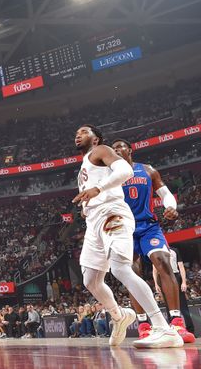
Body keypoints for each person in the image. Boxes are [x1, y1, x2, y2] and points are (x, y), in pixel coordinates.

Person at [72, 125, 182, 348]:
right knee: (90, 280)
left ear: (96, 139)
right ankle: (120, 315)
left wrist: (98, 190)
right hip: (94, 222)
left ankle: (164, 328)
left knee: (121, 268)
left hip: (113, 214)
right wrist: (87, 204)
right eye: (77, 132)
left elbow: (125, 172)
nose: (78, 134)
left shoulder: (101, 150)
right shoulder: (84, 166)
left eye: (84, 132)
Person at [111, 138, 194, 343]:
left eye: (119, 147)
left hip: (149, 227)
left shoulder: (148, 170)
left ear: (129, 150)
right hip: (124, 230)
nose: (115, 151)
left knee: (163, 261)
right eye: (112, 150)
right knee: (132, 273)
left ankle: (176, 322)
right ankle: (144, 325)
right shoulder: (110, 177)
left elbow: (165, 193)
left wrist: (170, 206)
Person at [154, 248, 195, 336]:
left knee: (183, 306)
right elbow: (155, 269)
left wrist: (183, 281)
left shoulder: (175, 250)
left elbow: (181, 267)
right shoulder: (155, 251)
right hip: (164, 277)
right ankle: (173, 331)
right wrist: (156, 284)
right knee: (168, 306)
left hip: (175, 276)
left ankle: (190, 330)